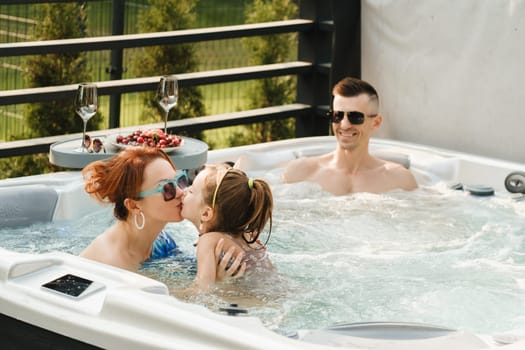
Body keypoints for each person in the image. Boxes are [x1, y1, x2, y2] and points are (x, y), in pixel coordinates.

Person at [80, 147, 244, 280]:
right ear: (134, 205)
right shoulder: (113, 264)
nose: (181, 192)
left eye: (180, 180)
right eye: (167, 188)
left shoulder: (160, 239)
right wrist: (215, 283)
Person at [282, 77, 418, 195]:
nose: (345, 125)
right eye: (337, 115)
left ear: (375, 123)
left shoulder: (399, 179)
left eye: (355, 117)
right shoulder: (300, 173)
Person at [181, 163, 274, 291]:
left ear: (206, 213)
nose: (184, 191)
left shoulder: (208, 241)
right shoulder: (248, 237)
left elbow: (200, 291)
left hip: (255, 300)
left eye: (191, 191)